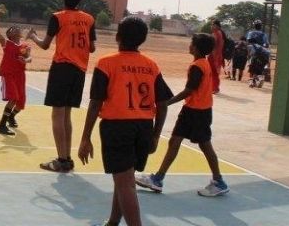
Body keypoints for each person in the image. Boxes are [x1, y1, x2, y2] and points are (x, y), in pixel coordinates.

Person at [78, 17, 172, 226]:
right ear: (143, 39)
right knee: (124, 178)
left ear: (118, 36)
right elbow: (163, 104)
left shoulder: (106, 63)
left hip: (118, 127)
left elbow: (95, 103)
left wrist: (85, 138)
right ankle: (113, 221)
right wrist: (156, 135)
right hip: (144, 127)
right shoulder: (151, 65)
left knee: (125, 183)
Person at [135, 33, 229, 199]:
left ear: (197, 48)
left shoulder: (197, 67)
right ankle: (158, 179)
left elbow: (188, 91)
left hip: (198, 112)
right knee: (174, 141)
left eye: (192, 43)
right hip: (195, 110)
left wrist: (166, 102)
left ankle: (219, 181)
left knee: (205, 146)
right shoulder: (203, 63)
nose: (189, 45)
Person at [28, 0, 96, 173]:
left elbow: (45, 45)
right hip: (79, 70)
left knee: (57, 114)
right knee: (66, 114)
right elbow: (92, 48)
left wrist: (33, 37)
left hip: (62, 68)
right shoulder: (89, 19)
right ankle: (67, 159)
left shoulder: (58, 17)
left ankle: (61, 159)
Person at [0, 18, 31, 136]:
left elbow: (29, 58)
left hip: (20, 75)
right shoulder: (7, 43)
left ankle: (11, 116)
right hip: (8, 74)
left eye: (17, 27)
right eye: (13, 28)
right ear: (10, 34)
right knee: (13, 97)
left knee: (20, 103)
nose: (16, 28)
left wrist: (25, 60)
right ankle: (1, 125)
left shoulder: (24, 46)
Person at [208, 20, 225, 94]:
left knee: (213, 72)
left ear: (217, 26)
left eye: (213, 25)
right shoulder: (220, 33)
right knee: (214, 73)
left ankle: (215, 88)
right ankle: (214, 87)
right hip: (217, 55)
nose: (211, 26)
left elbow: (212, 45)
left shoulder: (216, 33)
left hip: (214, 56)